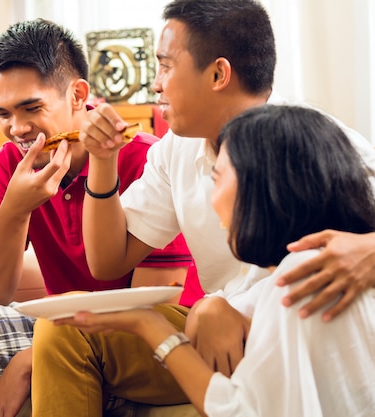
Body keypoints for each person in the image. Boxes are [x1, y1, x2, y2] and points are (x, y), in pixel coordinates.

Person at [31, 0, 375, 415]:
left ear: (218, 73)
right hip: (216, 325)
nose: (156, 84)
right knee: (66, 331)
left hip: (285, 319)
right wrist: (102, 162)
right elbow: (106, 263)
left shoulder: (318, 145)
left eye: (166, 66)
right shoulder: (178, 147)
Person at [0, 19, 197, 417]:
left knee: (62, 336)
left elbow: (154, 302)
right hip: (61, 322)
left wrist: (32, 356)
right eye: (3, 113)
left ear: (77, 95)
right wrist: (15, 208)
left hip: (144, 334)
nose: (17, 128)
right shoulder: (12, 161)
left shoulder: (144, 157)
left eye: (32, 108)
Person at [55, 104, 375, 416]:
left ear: (264, 189)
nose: (211, 198)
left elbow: (241, 410)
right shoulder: (290, 275)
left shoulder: (300, 281)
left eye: (218, 178)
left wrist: (151, 326)